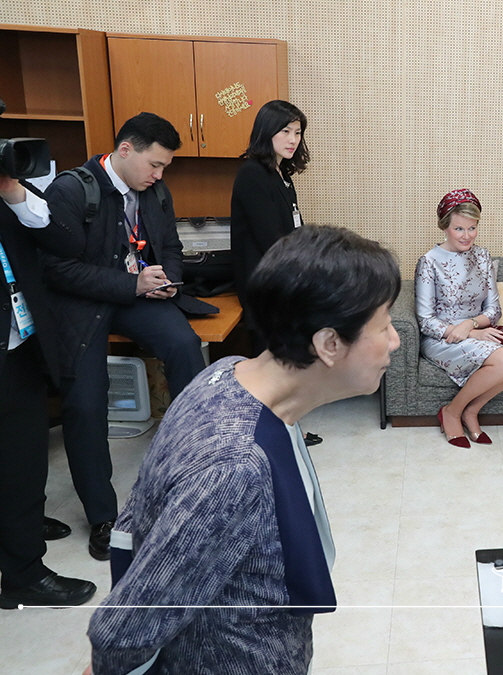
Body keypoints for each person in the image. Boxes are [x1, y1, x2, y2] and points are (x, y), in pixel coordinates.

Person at [85, 225, 402, 674]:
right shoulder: (233, 467)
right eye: (385, 325)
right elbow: (124, 630)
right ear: (329, 344)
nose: (395, 341)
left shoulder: (228, 373)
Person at [40, 113, 208, 561]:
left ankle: (197, 460)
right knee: (86, 403)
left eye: (164, 168)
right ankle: (102, 517)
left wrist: (168, 280)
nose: (158, 176)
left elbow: (170, 246)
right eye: (154, 165)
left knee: (184, 344)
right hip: (84, 303)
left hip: (139, 293)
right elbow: (56, 269)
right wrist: (131, 284)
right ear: (125, 150)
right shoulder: (72, 190)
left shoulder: (155, 191)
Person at [0, 174, 96, 609]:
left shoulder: (12, 190)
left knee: (24, 456)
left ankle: (22, 567)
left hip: (19, 343)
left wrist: (14, 192)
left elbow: (66, 242)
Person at [231, 99, 323, 447]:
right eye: (285, 131)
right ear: (265, 131)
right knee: (270, 359)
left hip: (282, 278)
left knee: (287, 357)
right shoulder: (252, 173)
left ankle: (286, 429)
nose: (292, 139)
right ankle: (269, 436)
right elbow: (271, 238)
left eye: (297, 132)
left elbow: (292, 230)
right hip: (263, 283)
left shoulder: (281, 174)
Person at [415, 189, 503, 447]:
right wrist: (468, 332)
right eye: (459, 229)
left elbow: (494, 310)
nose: (467, 235)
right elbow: (425, 320)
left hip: (476, 330)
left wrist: (472, 325)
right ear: (445, 227)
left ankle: (472, 410)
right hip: (443, 338)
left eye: (472, 228)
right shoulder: (429, 261)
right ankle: (452, 411)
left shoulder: (482, 256)